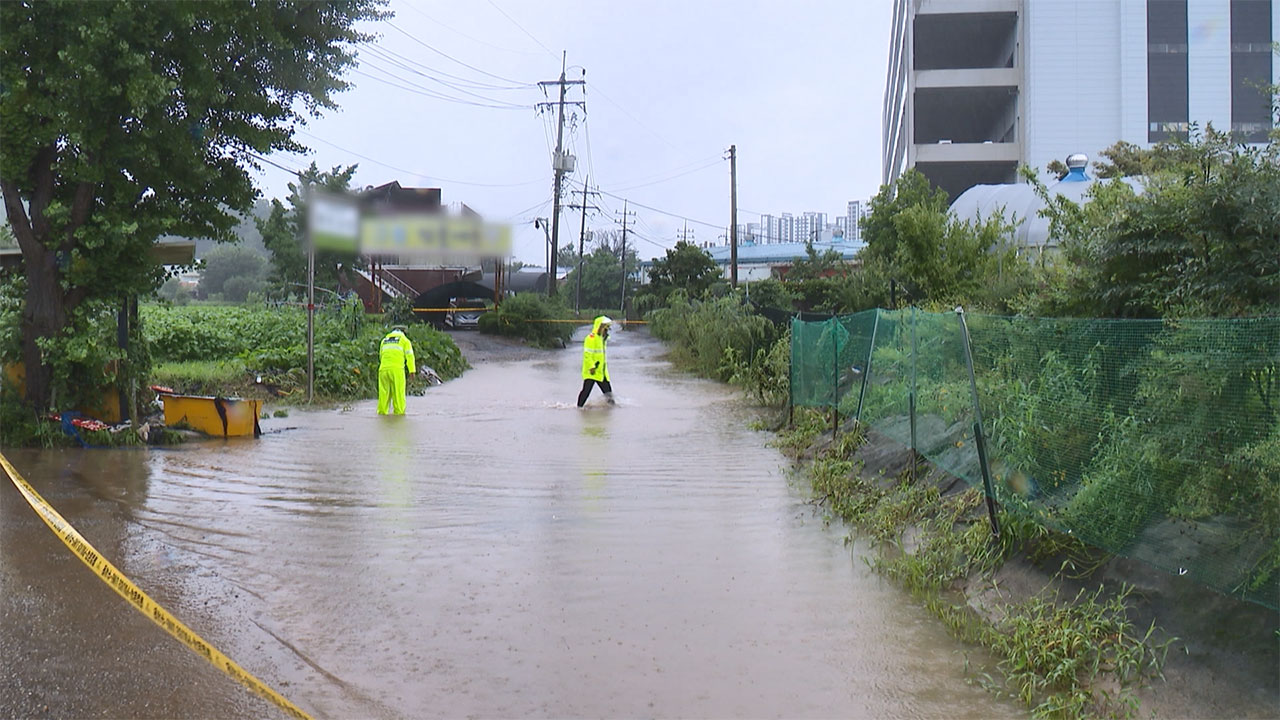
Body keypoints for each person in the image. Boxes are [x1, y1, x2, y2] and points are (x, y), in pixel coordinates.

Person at [578, 315, 615, 407]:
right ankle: (579, 408)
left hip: (601, 372)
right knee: (586, 391)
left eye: (607, 328)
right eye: (605, 327)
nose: (606, 330)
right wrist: (591, 366)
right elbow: (587, 355)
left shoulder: (602, 339)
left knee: (608, 393)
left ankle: (612, 409)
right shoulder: (591, 338)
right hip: (592, 371)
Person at [378, 325, 415, 415]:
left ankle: (382, 414)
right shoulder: (404, 341)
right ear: (403, 332)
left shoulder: (384, 340)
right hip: (397, 370)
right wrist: (412, 371)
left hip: (383, 370)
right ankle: (399, 417)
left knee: (383, 395)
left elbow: (380, 355)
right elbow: (410, 356)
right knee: (398, 396)